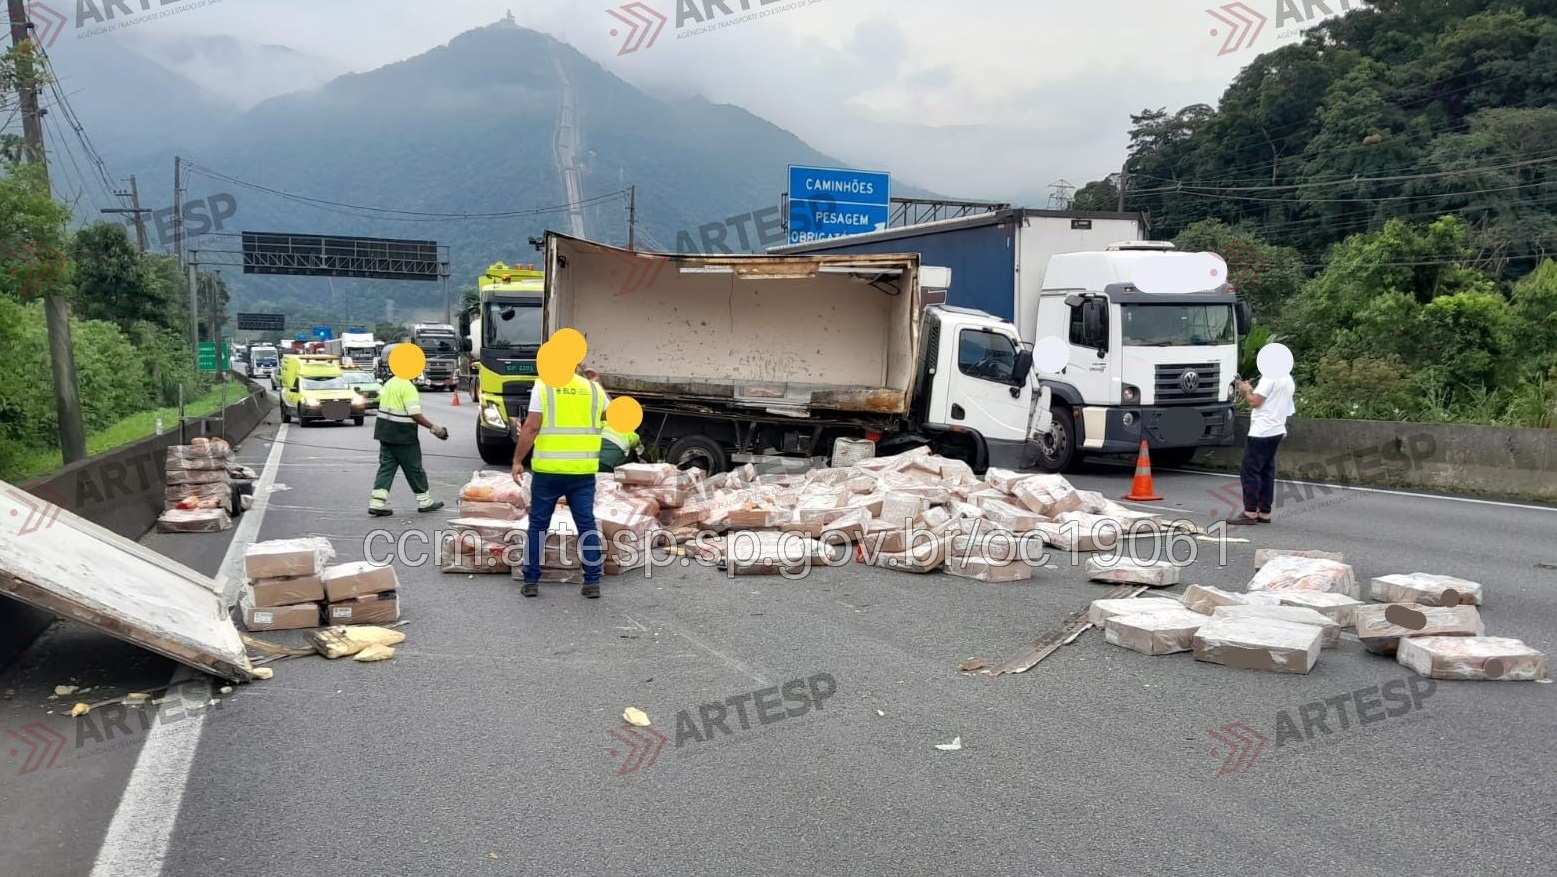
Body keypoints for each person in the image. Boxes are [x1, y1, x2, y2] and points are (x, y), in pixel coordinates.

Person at [511, 366, 609, 599]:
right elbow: (612, 414)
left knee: (538, 526)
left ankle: (531, 581)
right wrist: (597, 384)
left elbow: (532, 426)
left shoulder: (543, 385)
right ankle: (592, 582)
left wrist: (517, 460)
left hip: (549, 472)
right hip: (582, 472)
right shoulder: (592, 388)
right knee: (586, 524)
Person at [369, 362, 450, 516]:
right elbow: (415, 414)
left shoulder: (390, 383)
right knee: (415, 469)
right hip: (403, 435)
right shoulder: (408, 387)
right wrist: (435, 428)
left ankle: (376, 503)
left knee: (386, 468)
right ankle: (425, 502)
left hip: (385, 432)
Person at [1226, 369, 1297, 525]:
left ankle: (1250, 511)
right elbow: (1271, 401)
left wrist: (1245, 391)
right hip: (1277, 429)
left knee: (1250, 470)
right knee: (1266, 470)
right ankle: (1264, 511)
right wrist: (1251, 390)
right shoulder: (1287, 379)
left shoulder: (1269, 377)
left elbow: (1254, 402)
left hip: (1262, 431)